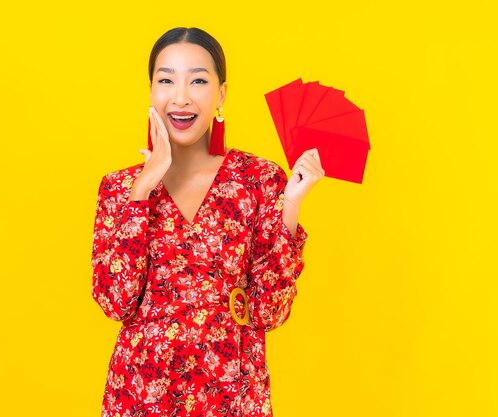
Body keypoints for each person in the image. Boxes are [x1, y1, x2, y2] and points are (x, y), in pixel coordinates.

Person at [91, 27, 324, 417]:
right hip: (142, 395)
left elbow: (270, 312)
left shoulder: (259, 179)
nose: (180, 96)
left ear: (221, 94)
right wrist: (143, 188)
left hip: (233, 391)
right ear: (151, 91)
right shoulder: (120, 187)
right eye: (166, 80)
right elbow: (115, 302)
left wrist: (292, 205)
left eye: (198, 80)